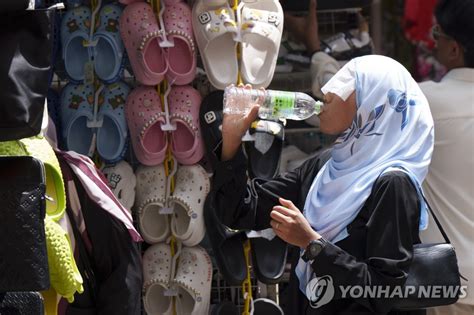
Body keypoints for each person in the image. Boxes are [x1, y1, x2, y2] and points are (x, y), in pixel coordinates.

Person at [211, 55, 434, 314]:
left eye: (346, 81)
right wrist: (231, 140)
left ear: (372, 103)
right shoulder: (326, 166)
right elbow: (240, 211)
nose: (326, 90)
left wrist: (312, 245)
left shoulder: (393, 184)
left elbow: (385, 292)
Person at [418, 0, 474, 314]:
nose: (432, 40)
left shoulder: (425, 101)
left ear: (454, 50)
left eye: (436, 33)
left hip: (453, 281)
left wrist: (319, 55)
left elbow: (346, 105)